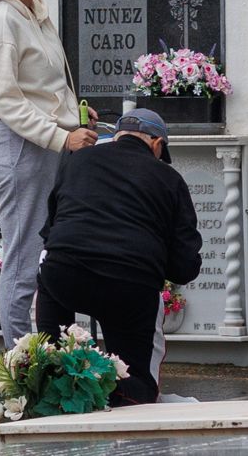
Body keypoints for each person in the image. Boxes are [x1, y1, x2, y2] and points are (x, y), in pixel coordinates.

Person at [0, 0, 95, 342]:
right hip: (21, 147)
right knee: (24, 261)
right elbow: (6, 100)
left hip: (42, 144)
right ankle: (17, 361)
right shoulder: (2, 21)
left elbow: (43, 84)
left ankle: (50, 350)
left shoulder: (33, 13)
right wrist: (62, 137)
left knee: (50, 257)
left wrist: (73, 115)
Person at [36, 109, 202, 405]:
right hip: (129, 284)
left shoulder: (79, 160)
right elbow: (184, 267)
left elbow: (51, 231)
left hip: (65, 274)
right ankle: (127, 397)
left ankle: (51, 378)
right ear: (156, 143)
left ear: (117, 137)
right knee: (135, 377)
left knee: (50, 272)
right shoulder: (169, 178)